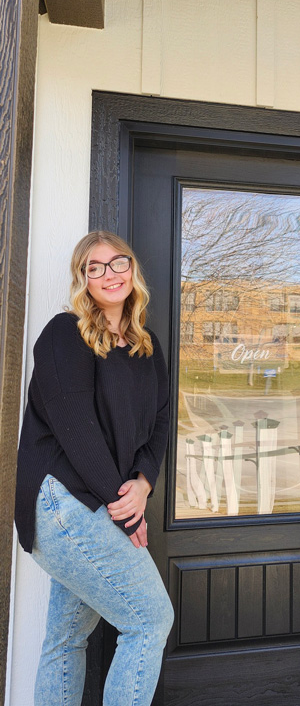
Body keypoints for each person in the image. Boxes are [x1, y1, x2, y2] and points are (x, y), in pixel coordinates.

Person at [15, 230, 174, 706]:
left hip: (102, 501)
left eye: (118, 262)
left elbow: (161, 421)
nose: (109, 274)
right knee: (149, 620)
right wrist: (124, 509)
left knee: (66, 639)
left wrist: (143, 484)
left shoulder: (147, 345)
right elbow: (75, 427)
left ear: (133, 271)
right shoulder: (64, 333)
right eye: (95, 267)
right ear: (82, 279)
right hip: (63, 499)